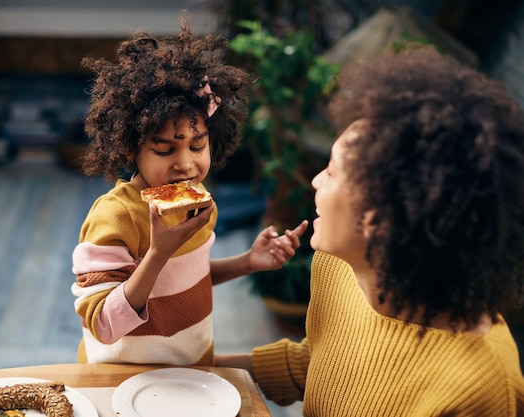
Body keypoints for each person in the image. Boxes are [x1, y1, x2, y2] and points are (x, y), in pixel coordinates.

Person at [216, 45, 524, 415]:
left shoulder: (482, 391)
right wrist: (196, 369)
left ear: (380, 219)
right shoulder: (339, 266)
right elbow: (318, 362)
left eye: (331, 172)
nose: (315, 181)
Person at [71, 17, 308, 366]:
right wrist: (156, 253)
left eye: (198, 146)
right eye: (165, 150)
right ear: (129, 150)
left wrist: (247, 262)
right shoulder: (116, 217)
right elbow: (104, 325)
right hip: (123, 379)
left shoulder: (198, 202)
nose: (186, 165)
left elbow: (186, 279)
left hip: (190, 365)